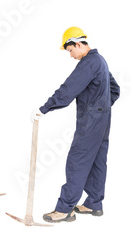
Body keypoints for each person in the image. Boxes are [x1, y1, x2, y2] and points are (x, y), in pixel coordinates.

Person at [32, 27, 120, 223]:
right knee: (97, 160)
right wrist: (101, 107)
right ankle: (93, 204)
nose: (70, 56)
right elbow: (115, 89)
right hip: (103, 119)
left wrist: (45, 108)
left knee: (77, 160)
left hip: (91, 121)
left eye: (70, 50)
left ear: (78, 44)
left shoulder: (88, 63)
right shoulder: (101, 61)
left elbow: (68, 89)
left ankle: (64, 209)